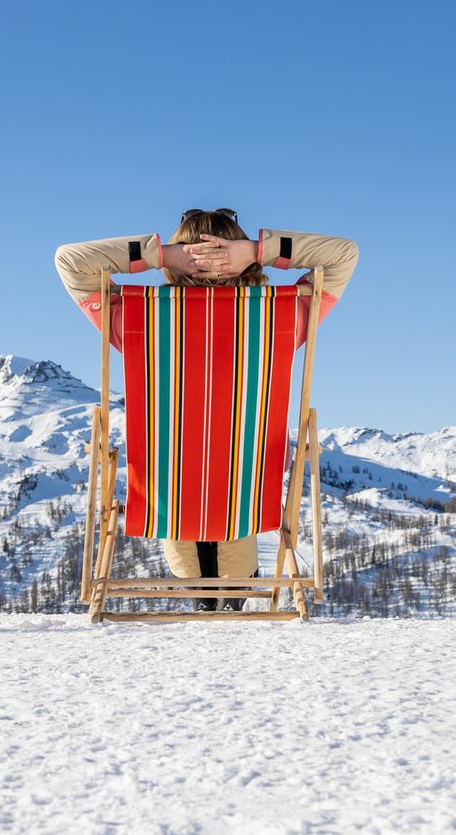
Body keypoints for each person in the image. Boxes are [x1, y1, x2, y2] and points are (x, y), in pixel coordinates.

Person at [54, 210, 358, 608]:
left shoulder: (139, 318)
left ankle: (204, 589)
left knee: (183, 511)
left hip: (169, 478)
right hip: (245, 480)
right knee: (234, 503)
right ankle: (234, 585)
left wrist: (160, 256)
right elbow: (342, 255)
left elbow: (71, 262)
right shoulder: (281, 316)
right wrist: (257, 250)